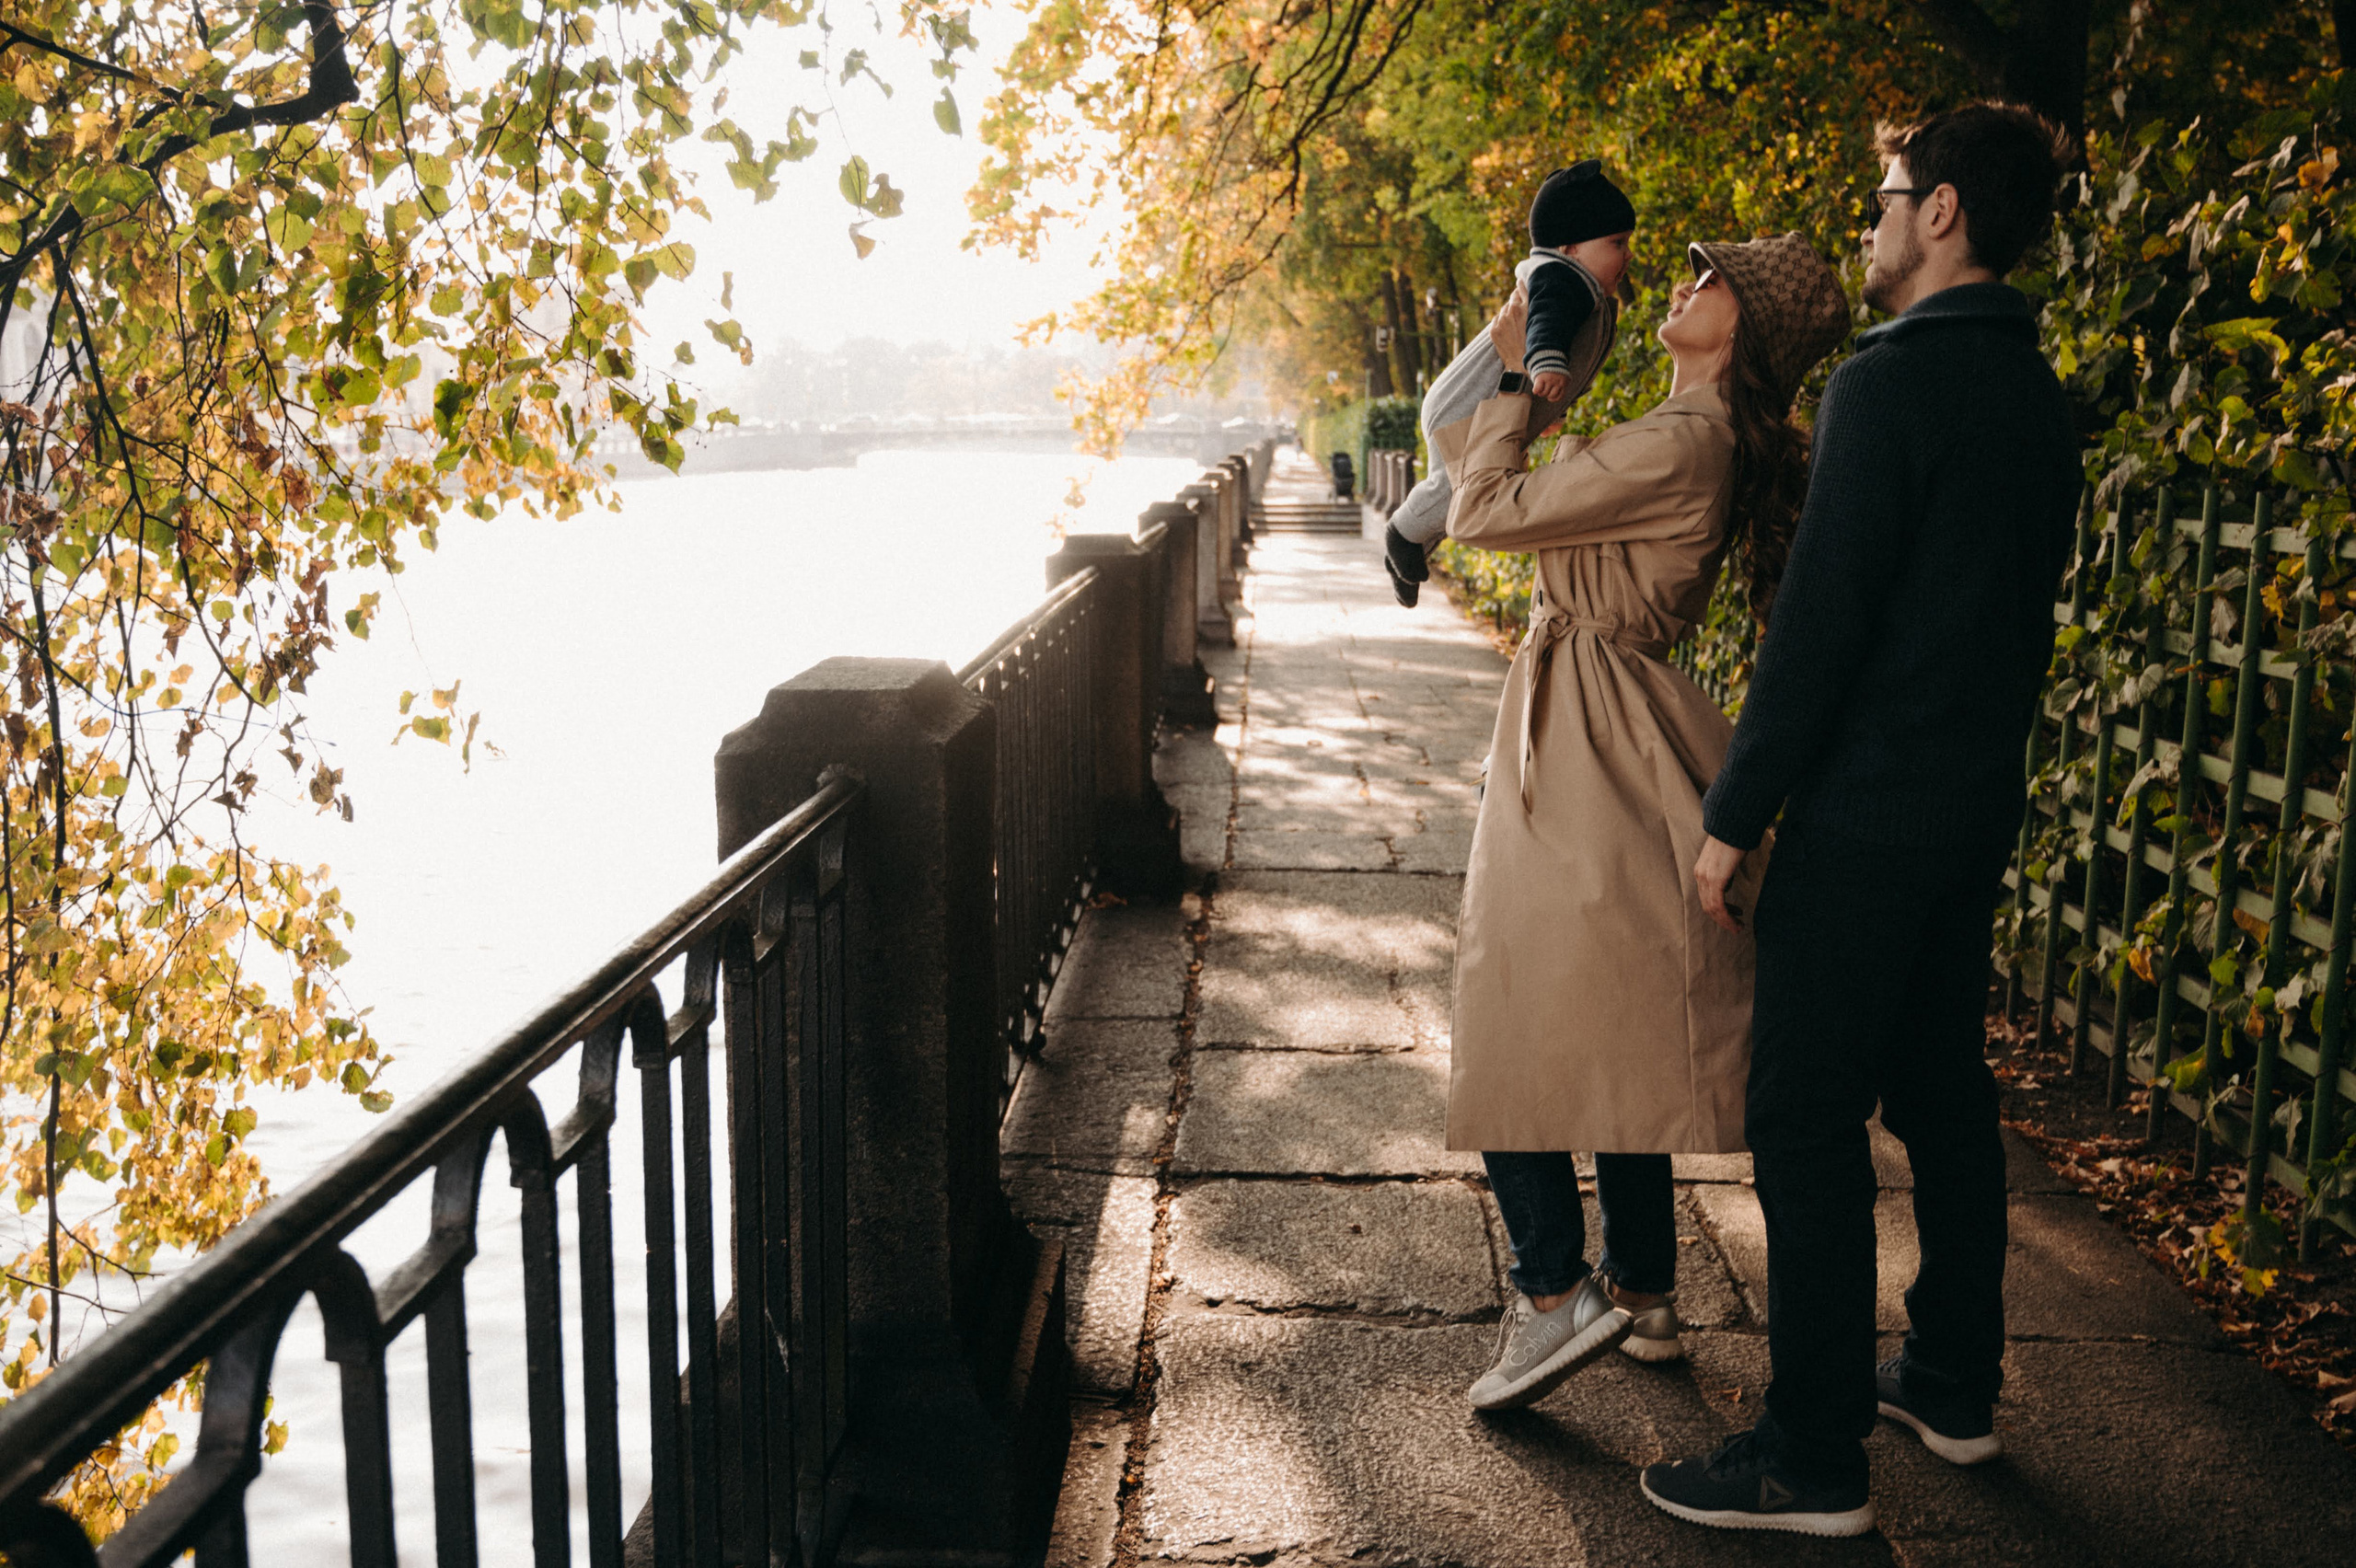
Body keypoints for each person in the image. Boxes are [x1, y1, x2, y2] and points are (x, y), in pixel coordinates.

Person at [1645, 102, 2079, 1539]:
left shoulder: (1885, 389)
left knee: (1804, 1116)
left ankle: (1810, 1452)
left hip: (1866, 819)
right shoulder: (2038, 397)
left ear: (1942, 211)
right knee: (1945, 1094)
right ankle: (1950, 1380)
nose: (1874, 220)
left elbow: (1821, 630)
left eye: (1889, 196)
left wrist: (1735, 815)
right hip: (1972, 814)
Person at [1442, 232, 1850, 1413]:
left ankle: (1551, 1293)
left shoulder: (1681, 439)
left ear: (1744, 328)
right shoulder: (1688, 433)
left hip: (1587, 726)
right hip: (1601, 715)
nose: (1686, 281)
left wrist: (1515, 378)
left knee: (1513, 1004)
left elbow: (1483, 511)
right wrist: (1535, 396)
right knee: (1612, 1007)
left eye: (1711, 279)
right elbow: (1509, 493)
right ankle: (1643, 1282)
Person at [1382, 162, 1635, 608]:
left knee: (1459, 492)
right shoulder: (1561, 278)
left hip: (1472, 403)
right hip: (1464, 405)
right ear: (1570, 247)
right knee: (1456, 489)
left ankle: (1410, 552)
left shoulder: (1579, 286)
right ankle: (1402, 534)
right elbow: (1545, 327)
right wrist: (1546, 366)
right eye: (1616, 243)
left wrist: (1550, 404)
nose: (1627, 255)